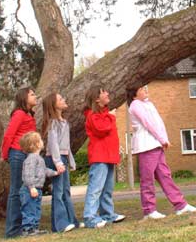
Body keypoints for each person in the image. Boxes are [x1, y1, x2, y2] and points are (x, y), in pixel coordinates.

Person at [127, 86, 196, 219]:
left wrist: (164, 140)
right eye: (141, 89)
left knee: (165, 176)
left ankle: (181, 205)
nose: (145, 89)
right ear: (134, 94)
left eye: (145, 87)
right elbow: (148, 123)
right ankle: (149, 210)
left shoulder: (148, 104)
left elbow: (158, 123)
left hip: (156, 144)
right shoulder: (135, 105)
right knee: (147, 179)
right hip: (146, 146)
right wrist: (162, 140)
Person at [83, 85, 126, 228]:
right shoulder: (92, 115)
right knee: (96, 189)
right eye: (103, 92)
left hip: (109, 156)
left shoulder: (105, 114)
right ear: (96, 99)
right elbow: (102, 129)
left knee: (107, 189)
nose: (107, 93)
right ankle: (90, 217)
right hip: (99, 156)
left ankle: (107, 214)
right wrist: (111, 117)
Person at [42, 92, 83, 233]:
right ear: (54, 105)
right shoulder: (53, 123)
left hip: (63, 158)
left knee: (66, 191)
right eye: (60, 99)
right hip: (55, 159)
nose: (64, 99)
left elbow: (67, 146)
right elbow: (53, 145)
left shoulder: (65, 122)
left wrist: (71, 161)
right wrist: (58, 162)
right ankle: (60, 224)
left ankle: (72, 221)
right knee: (58, 192)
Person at [1, 86, 37, 238]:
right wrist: (5, 155)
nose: (35, 96)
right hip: (17, 154)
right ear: (24, 98)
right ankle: (12, 230)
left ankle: (24, 226)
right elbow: (9, 135)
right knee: (16, 192)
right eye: (32, 94)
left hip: (26, 155)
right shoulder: (19, 114)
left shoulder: (28, 114)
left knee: (24, 191)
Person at [18, 131, 58, 236]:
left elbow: (44, 170)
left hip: (38, 189)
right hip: (30, 190)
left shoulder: (39, 158)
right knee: (29, 209)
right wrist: (31, 187)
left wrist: (55, 172)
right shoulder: (31, 159)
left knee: (36, 209)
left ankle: (34, 228)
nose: (42, 142)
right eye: (39, 140)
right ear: (34, 144)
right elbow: (28, 174)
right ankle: (28, 229)